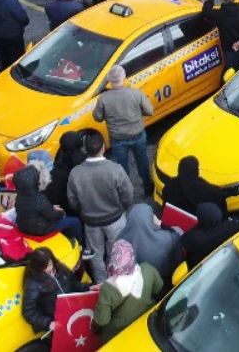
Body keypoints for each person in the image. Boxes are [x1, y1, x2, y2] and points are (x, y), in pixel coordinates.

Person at [67, 130, 133, 281]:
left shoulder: (75, 173)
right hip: (115, 219)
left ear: (85, 150)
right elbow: (128, 194)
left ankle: (102, 283)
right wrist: (123, 207)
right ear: (103, 148)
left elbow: (72, 200)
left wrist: (83, 211)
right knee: (117, 251)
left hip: (91, 222)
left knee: (96, 256)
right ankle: (117, 279)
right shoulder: (115, 169)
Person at [93, 65, 154, 188]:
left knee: (121, 166)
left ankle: (125, 191)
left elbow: (97, 117)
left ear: (109, 79)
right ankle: (148, 186)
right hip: (138, 135)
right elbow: (149, 111)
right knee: (142, 161)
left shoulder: (103, 98)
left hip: (117, 138)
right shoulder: (136, 93)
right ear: (124, 76)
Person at [92, 240, 164, 341]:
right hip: (145, 323)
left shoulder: (108, 287)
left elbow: (102, 320)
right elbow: (159, 288)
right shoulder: (148, 269)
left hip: (118, 334)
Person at [22, 247, 87, 338]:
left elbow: (73, 282)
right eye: (44, 267)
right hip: (59, 322)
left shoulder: (60, 268)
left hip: (76, 312)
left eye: (49, 264)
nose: (48, 269)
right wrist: (48, 323)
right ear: (37, 268)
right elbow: (28, 311)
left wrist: (88, 288)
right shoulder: (33, 284)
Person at [117, 202, 183, 282]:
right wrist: (161, 224)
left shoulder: (120, 243)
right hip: (165, 281)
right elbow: (178, 234)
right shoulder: (167, 238)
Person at [160, 155, 229, 216]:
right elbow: (217, 194)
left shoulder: (170, 185)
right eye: (198, 169)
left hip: (174, 220)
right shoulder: (202, 188)